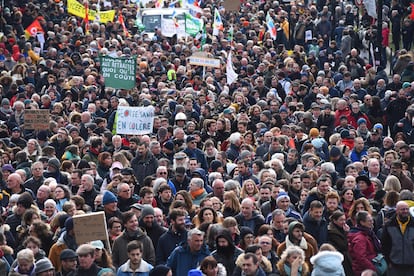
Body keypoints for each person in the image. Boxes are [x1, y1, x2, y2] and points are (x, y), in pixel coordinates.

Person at [382, 201, 414, 275]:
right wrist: (388, 261)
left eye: (407, 209)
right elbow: (384, 245)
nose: (405, 211)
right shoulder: (389, 225)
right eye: (402, 209)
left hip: (411, 266)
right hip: (394, 266)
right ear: (397, 210)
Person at [348, 211, 381, 275]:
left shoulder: (369, 234)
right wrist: (373, 269)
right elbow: (360, 257)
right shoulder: (360, 238)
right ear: (362, 222)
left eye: (372, 220)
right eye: (369, 221)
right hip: (364, 271)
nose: (372, 222)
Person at [327, 211, 353, 275]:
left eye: (344, 219)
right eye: (341, 220)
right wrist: (347, 233)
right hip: (340, 259)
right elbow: (344, 245)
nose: (344, 222)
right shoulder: (332, 232)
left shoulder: (341, 229)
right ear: (334, 221)